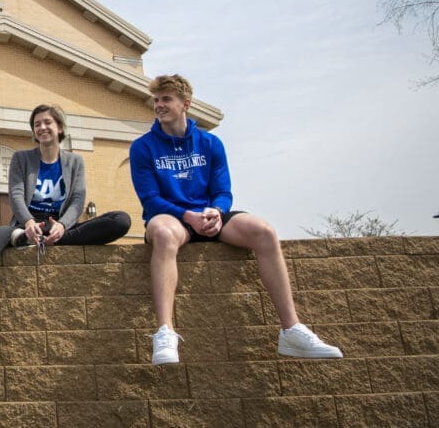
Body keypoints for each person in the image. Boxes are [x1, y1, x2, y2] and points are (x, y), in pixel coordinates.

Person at [130, 74, 342, 365]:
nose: (159, 105)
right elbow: (150, 199)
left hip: (209, 215)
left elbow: (223, 191)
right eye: (156, 100)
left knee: (264, 231)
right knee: (165, 235)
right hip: (172, 217)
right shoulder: (142, 147)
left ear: (185, 104)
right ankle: (165, 333)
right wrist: (186, 215)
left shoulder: (210, 143)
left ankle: (291, 330)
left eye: (166, 99)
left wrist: (216, 211)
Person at [0, 104, 132, 349]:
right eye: (37, 124)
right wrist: (28, 221)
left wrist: (62, 225)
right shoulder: (22, 159)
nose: (42, 127)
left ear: (60, 127)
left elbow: (78, 199)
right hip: (25, 224)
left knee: (121, 220)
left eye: (47, 122)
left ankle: (42, 240)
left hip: (60, 227)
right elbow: (16, 194)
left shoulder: (74, 162)